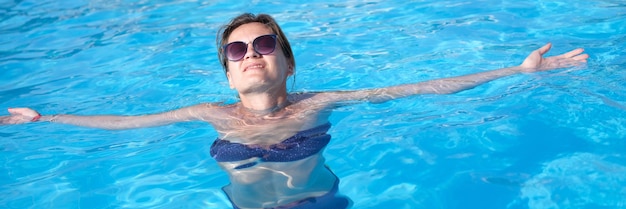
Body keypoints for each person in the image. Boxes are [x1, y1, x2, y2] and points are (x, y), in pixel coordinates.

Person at [0, 13, 588, 209]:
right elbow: (127, 125)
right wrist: (47, 122)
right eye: (238, 50)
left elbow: (420, 90)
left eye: (264, 45)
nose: (251, 54)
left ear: (287, 61)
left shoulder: (320, 101)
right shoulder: (211, 113)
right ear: (228, 71)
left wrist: (517, 71)